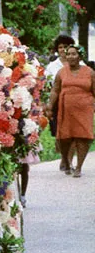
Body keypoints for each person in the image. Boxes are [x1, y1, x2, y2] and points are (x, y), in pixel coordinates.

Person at [47, 45, 95, 177]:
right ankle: (67, 162)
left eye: (74, 54)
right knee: (65, 138)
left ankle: (79, 167)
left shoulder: (90, 72)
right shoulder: (62, 72)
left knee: (84, 136)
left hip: (85, 109)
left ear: (80, 56)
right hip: (66, 109)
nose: (70, 57)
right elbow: (55, 90)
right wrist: (50, 106)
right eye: (68, 54)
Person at [45, 34, 75, 172]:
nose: (63, 50)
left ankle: (69, 160)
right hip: (57, 102)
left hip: (75, 102)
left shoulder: (79, 64)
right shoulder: (52, 66)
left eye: (66, 46)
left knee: (74, 133)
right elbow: (46, 86)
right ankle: (63, 157)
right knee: (60, 133)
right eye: (60, 47)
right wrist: (47, 105)